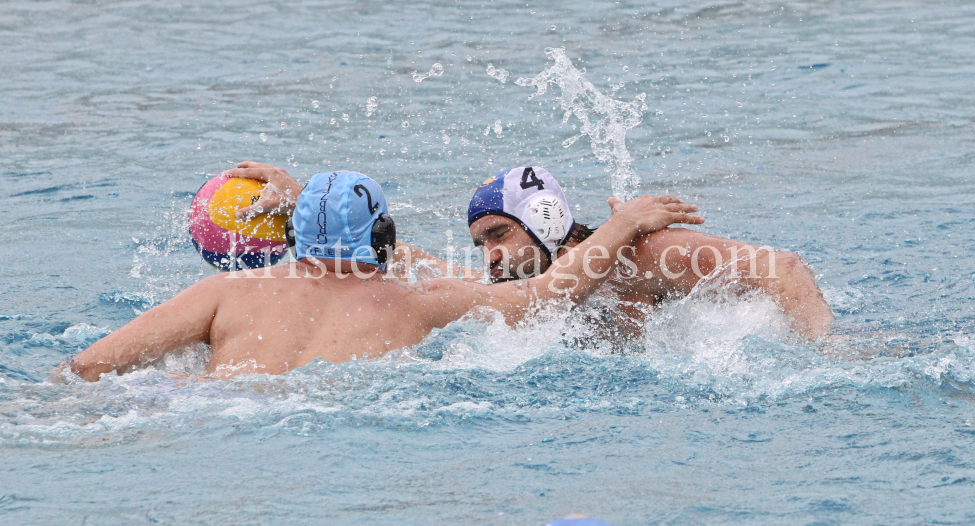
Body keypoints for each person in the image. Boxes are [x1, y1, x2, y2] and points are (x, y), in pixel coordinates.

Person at [67, 170, 702, 381]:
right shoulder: (422, 302)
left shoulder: (224, 291)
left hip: (201, 411)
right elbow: (547, 295)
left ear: (290, 241)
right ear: (384, 238)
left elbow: (90, 368)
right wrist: (625, 225)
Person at [230, 162, 834, 341]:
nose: (488, 256)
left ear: (542, 222)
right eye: (480, 244)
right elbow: (401, 258)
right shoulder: (515, 286)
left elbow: (781, 267)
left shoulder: (646, 254)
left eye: (498, 236)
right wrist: (308, 201)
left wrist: (823, 344)